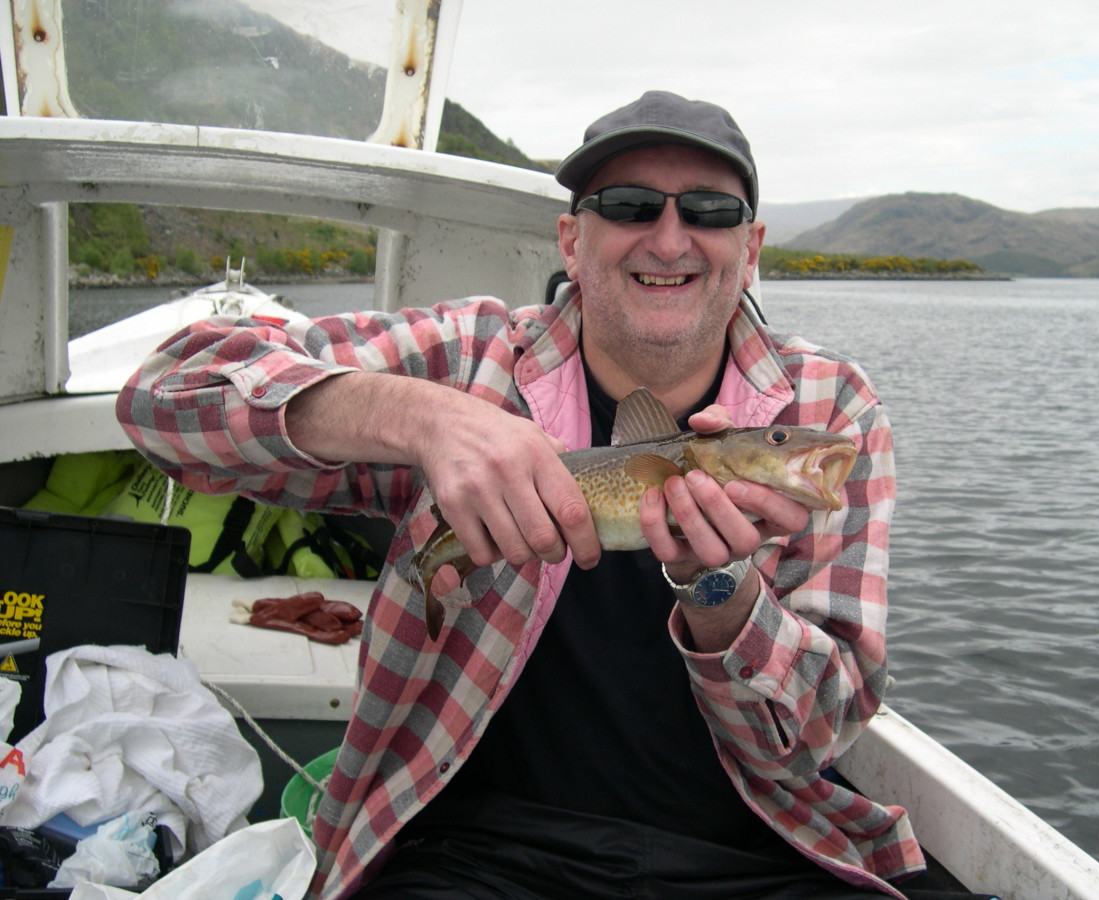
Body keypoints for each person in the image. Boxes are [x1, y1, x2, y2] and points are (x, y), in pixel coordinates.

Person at [118, 91, 934, 899]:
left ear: (750, 247)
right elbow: (162, 394)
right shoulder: (469, 358)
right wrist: (418, 417)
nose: (671, 236)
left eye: (711, 210)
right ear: (572, 241)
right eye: (629, 204)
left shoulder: (829, 409)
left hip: (755, 854)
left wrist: (722, 591)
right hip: (476, 854)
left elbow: (821, 734)